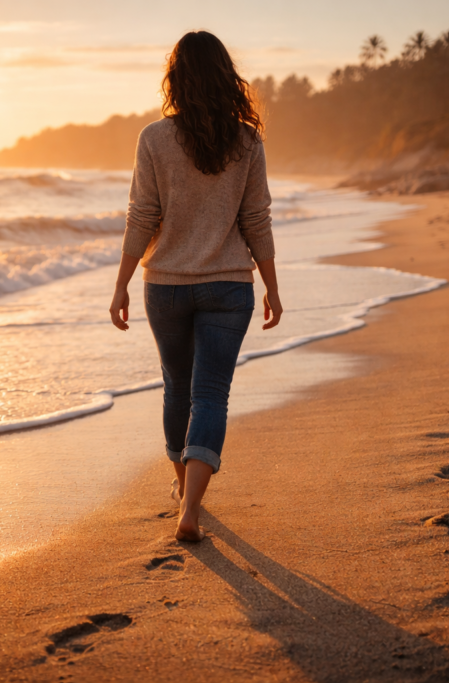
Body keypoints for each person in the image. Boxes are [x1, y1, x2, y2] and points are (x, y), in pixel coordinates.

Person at [108, 30, 282, 542]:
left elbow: (142, 217)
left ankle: (186, 494)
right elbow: (257, 220)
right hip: (229, 286)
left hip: (165, 285)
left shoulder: (154, 139)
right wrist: (272, 286)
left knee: (177, 388)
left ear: (176, 79)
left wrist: (120, 284)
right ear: (227, 77)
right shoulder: (247, 140)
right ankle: (191, 508)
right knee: (210, 394)